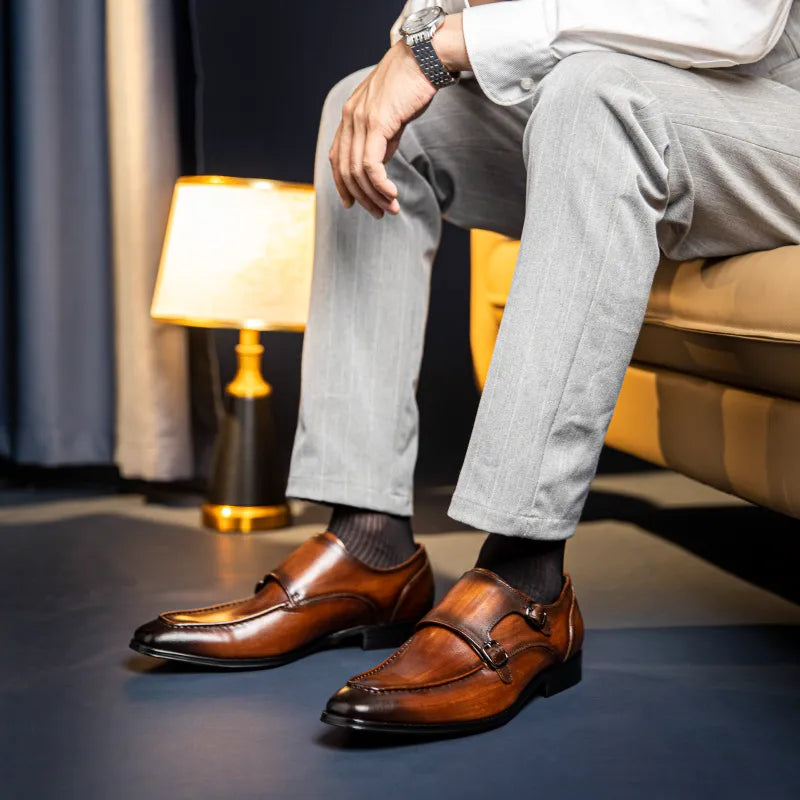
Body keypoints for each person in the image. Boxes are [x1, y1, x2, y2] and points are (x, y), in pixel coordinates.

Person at [131, 0, 800, 735]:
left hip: (772, 116)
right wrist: (420, 45)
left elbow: (735, 23)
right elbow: (428, 24)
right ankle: (368, 545)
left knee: (596, 96)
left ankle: (525, 582)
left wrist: (442, 46)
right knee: (368, 108)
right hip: (654, 108)